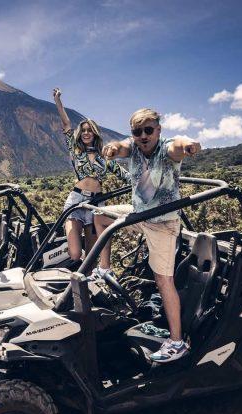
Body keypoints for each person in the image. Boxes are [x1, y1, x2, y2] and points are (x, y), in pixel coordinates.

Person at [97, 108, 201, 363]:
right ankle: (104, 269)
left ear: (158, 130)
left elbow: (178, 146)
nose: (143, 136)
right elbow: (120, 147)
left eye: (148, 130)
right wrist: (112, 148)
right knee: (99, 216)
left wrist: (188, 144)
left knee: (163, 280)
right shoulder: (132, 147)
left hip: (163, 223)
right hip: (140, 215)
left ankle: (177, 341)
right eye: (137, 131)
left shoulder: (166, 149)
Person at [52, 88, 130, 272]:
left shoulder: (105, 157)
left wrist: (146, 183)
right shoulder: (75, 150)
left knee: (92, 254)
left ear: (95, 133)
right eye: (83, 130)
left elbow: (125, 176)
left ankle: (88, 286)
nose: (86, 133)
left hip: (96, 205)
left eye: (90, 130)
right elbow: (66, 125)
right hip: (76, 201)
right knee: (75, 253)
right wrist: (57, 101)